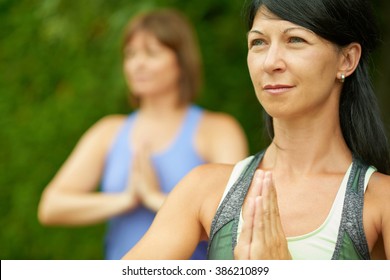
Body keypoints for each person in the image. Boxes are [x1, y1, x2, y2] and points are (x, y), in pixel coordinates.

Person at [121, 0, 390, 260]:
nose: (270, 62)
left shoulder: (380, 201)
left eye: (295, 40)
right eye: (258, 42)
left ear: (346, 59)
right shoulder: (204, 189)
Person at [37, 8, 248, 260]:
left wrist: (154, 198)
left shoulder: (218, 130)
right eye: (130, 54)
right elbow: (51, 207)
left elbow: (234, 220)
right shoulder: (108, 132)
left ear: (181, 61)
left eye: (151, 53)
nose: (137, 63)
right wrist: (125, 200)